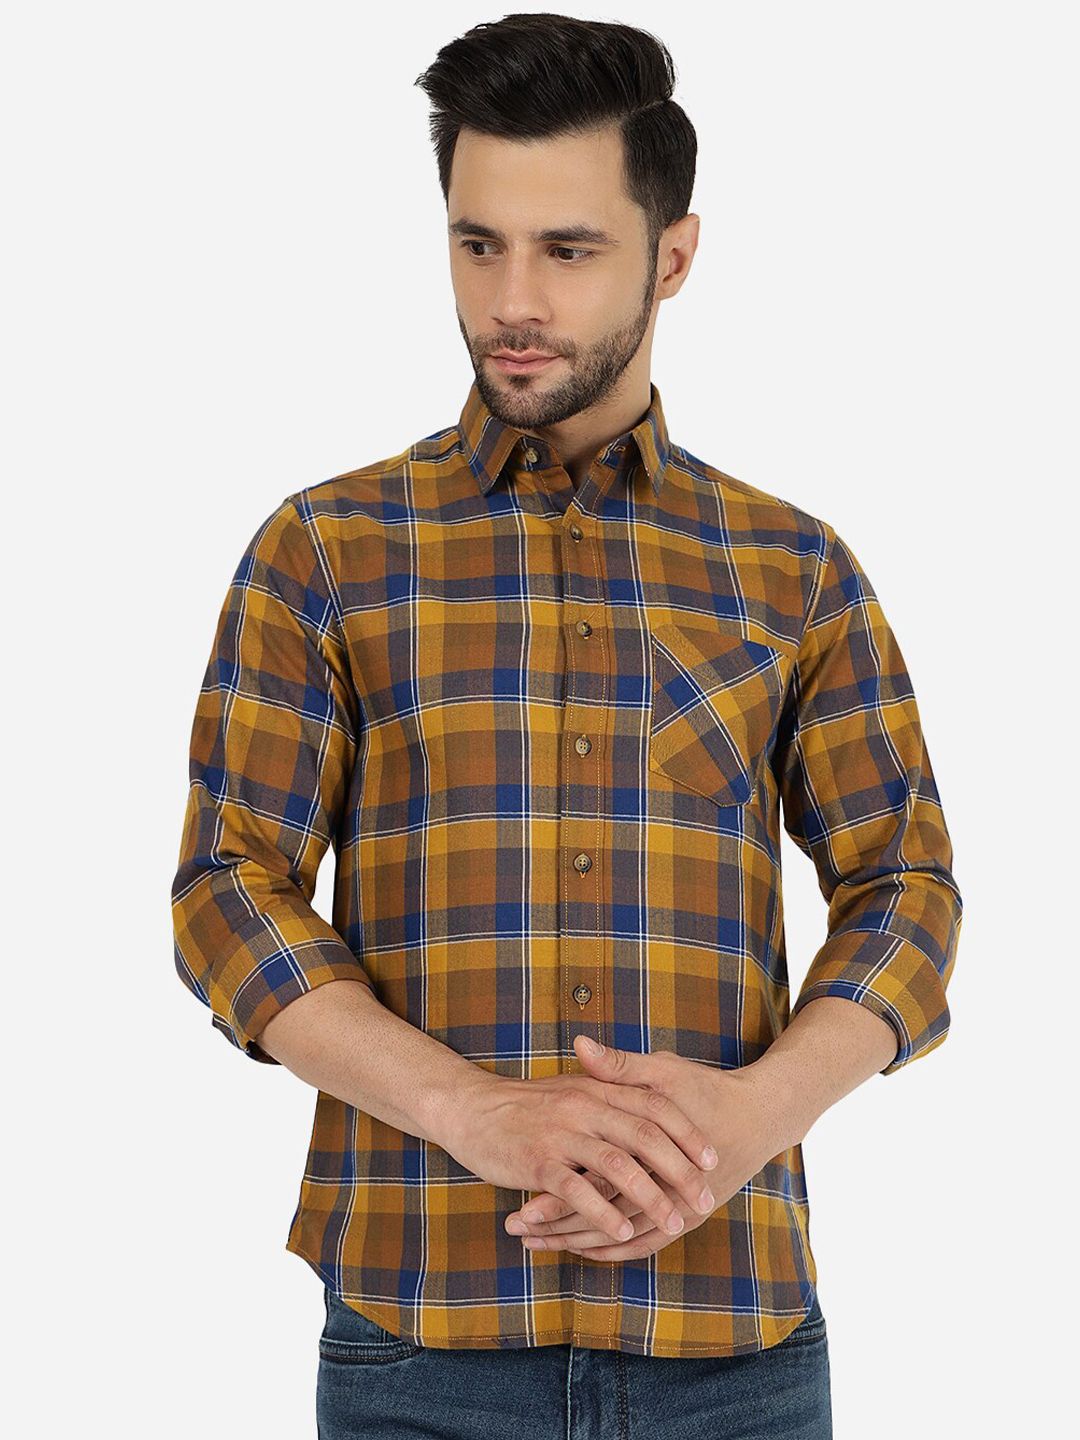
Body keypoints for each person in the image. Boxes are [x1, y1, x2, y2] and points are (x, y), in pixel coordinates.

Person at [170, 13, 962, 1438]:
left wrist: (752, 1116)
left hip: (733, 1346)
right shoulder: (327, 551)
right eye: (478, 245)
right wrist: (477, 1113)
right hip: (420, 1335)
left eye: (569, 250)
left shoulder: (794, 569)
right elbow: (228, 897)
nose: (512, 300)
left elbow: (907, 888)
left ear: (673, 257)